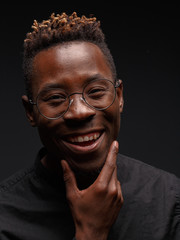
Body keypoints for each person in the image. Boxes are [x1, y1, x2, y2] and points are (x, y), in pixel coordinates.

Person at [0, 11, 179, 240]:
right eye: (56, 98)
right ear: (30, 112)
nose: (79, 112)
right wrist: (90, 232)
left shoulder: (169, 200)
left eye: (95, 92)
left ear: (119, 96)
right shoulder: (4, 219)